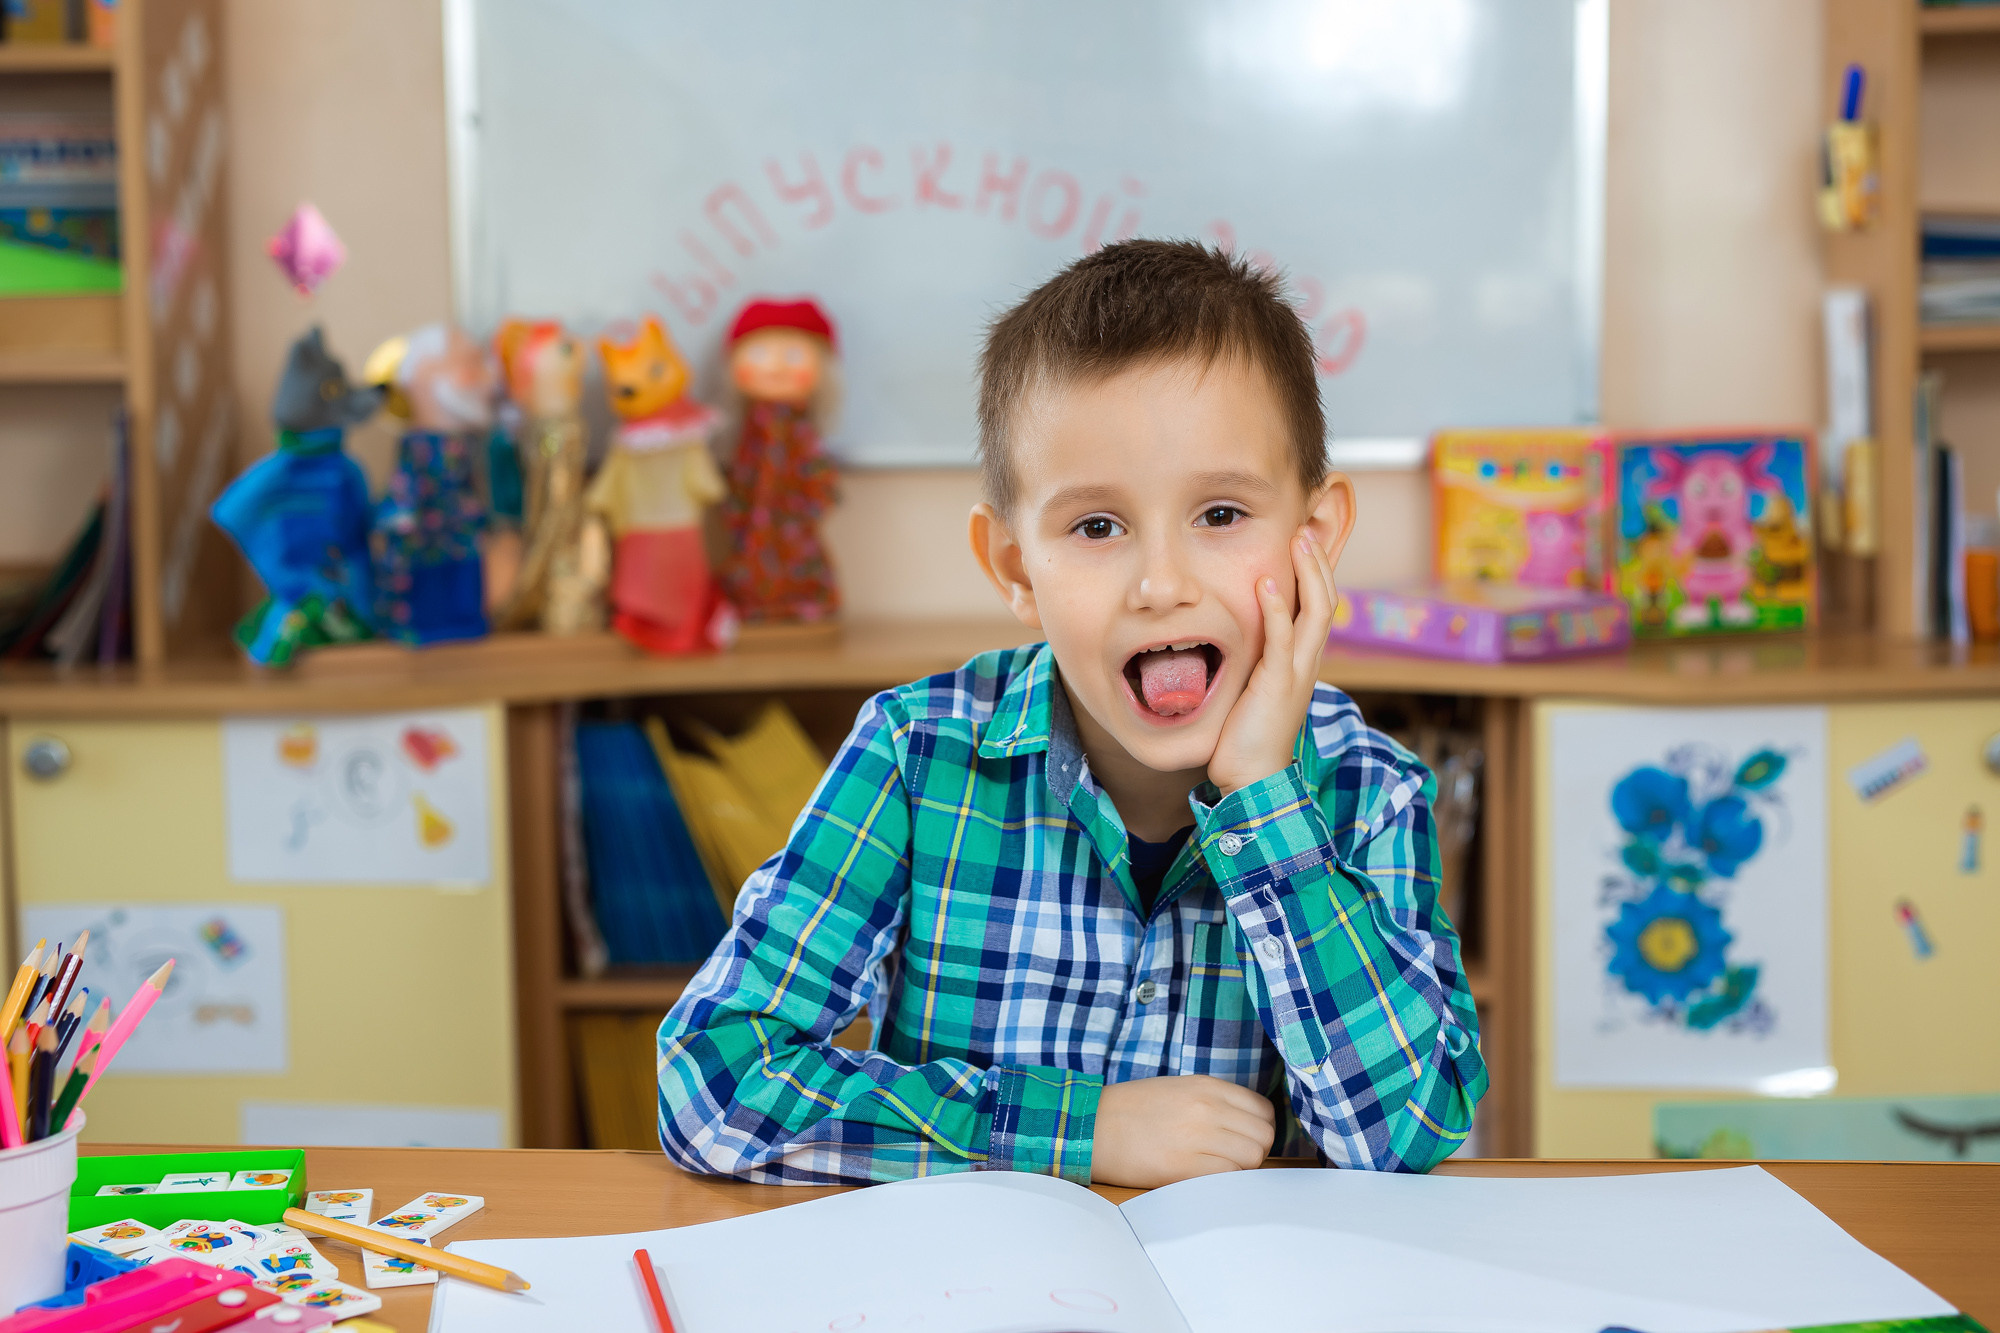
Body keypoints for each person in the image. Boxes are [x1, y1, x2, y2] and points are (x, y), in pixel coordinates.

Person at [656, 239, 1486, 1187]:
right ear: (1015, 568)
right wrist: (1079, 1129)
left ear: (1316, 540)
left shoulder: (1368, 788)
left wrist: (1262, 798)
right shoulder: (916, 754)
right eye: (1097, 527)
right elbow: (711, 1080)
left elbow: (1407, 1137)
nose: (1162, 585)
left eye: (1220, 514)